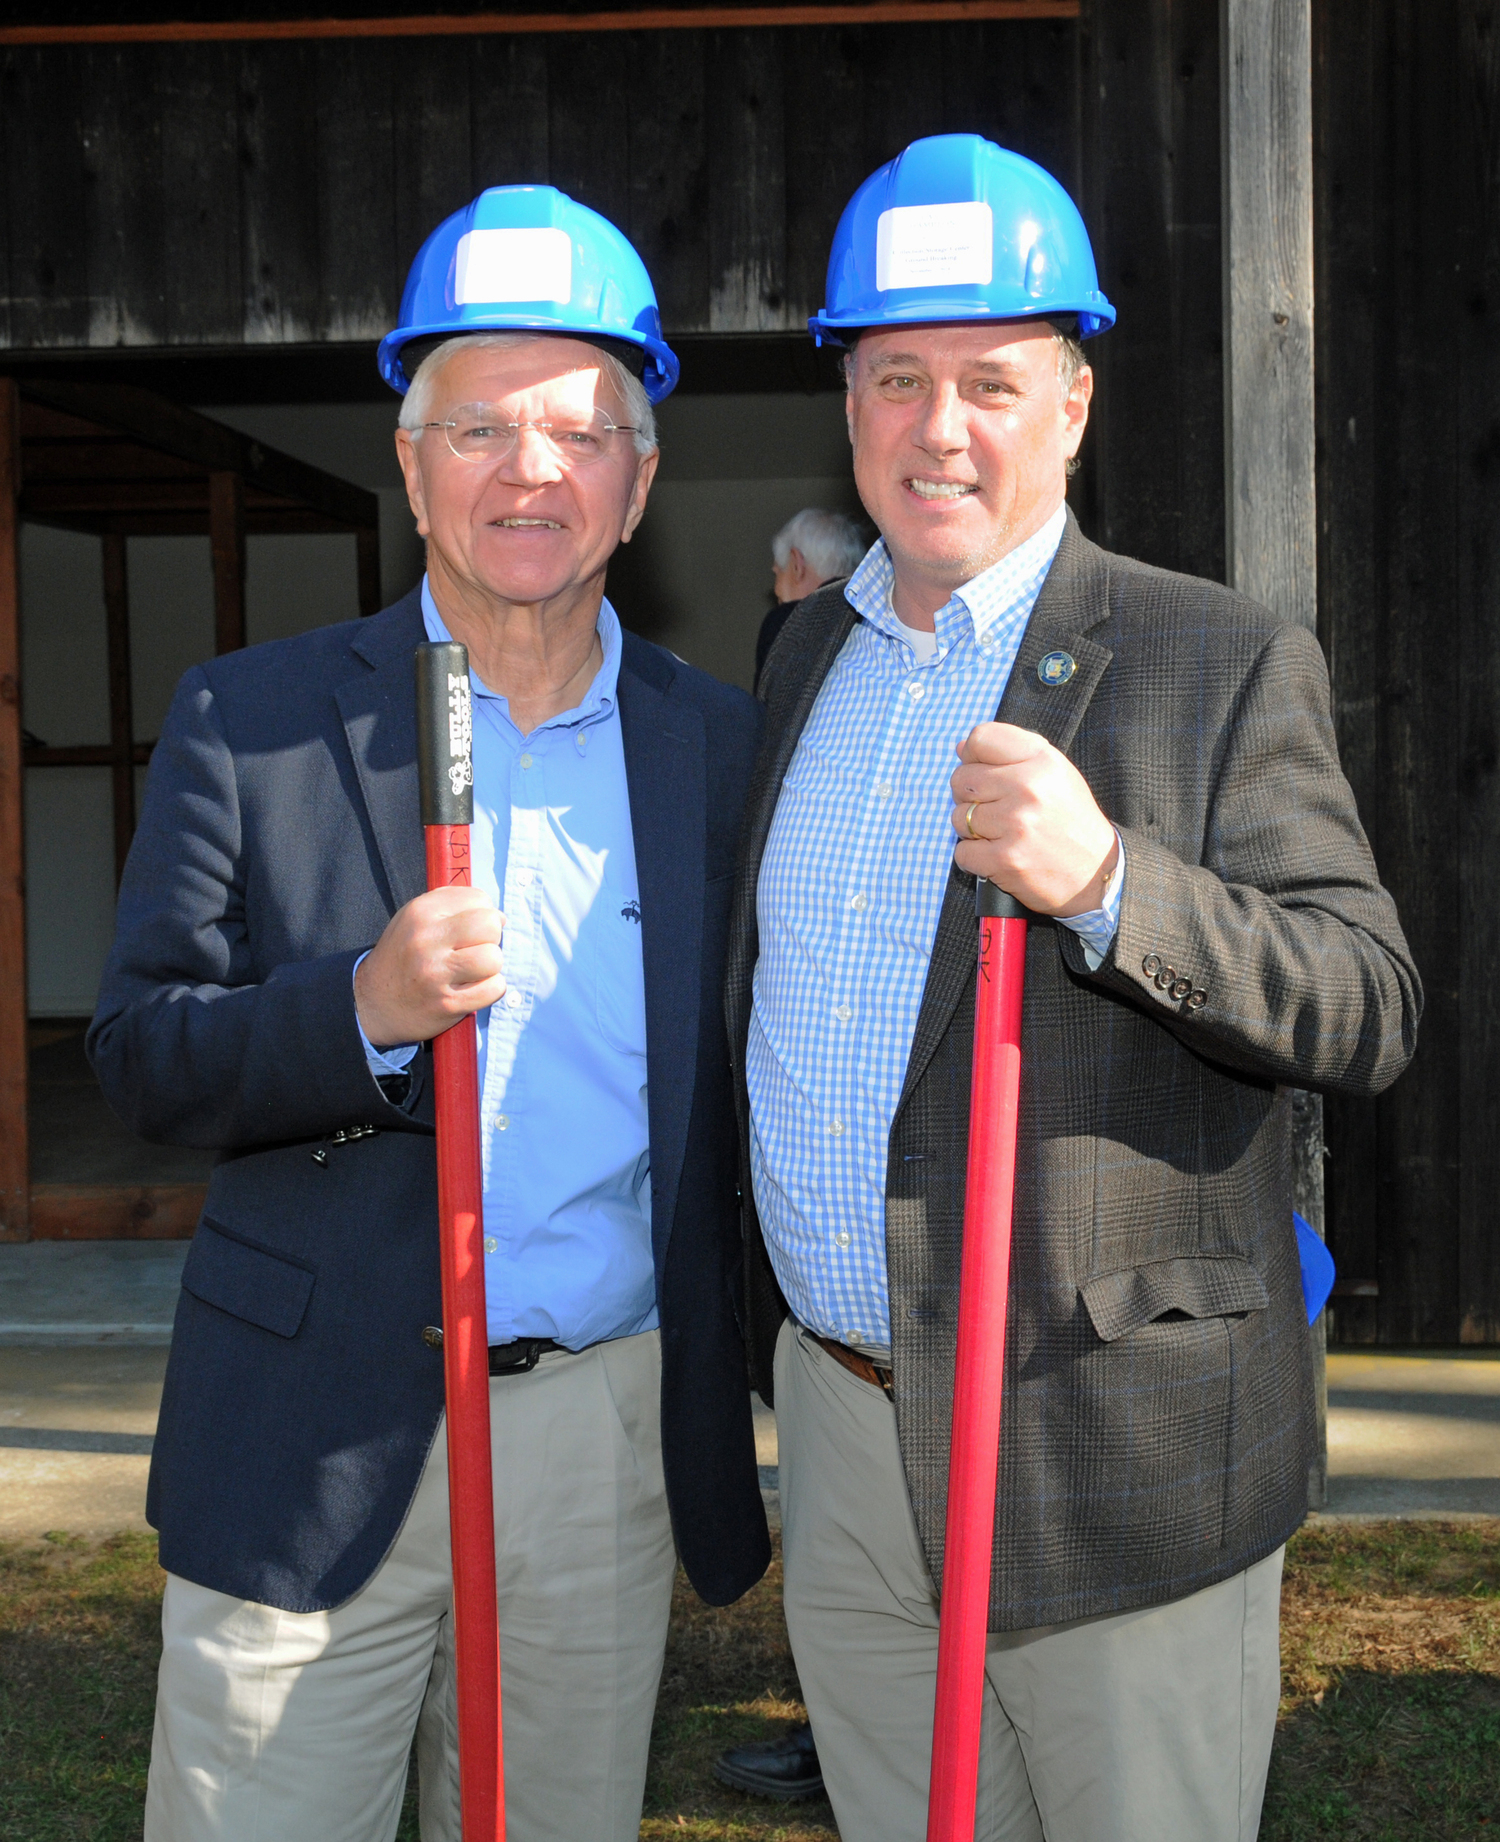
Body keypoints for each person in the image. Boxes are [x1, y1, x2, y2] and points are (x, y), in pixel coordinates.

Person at [726, 134, 1420, 1842]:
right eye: (896, 378)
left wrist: (1111, 883)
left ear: (1075, 402)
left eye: (989, 379)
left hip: (1106, 1434)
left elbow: (1367, 998)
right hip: (846, 1422)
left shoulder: (1216, 654)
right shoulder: (803, 653)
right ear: (852, 400)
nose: (938, 425)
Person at [89, 184, 769, 1842]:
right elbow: (139, 1053)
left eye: (580, 431)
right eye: (479, 428)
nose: (530, 470)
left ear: (641, 479)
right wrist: (363, 1011)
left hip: (596, 1433)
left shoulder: (726, 752)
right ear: (411, 465)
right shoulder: (248, 722)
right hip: (311, 1430)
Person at [755, 507, 867, 678]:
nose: (777, 593)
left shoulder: (785, 623)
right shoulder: (877, 618)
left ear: (796, 564)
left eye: (778, 572)